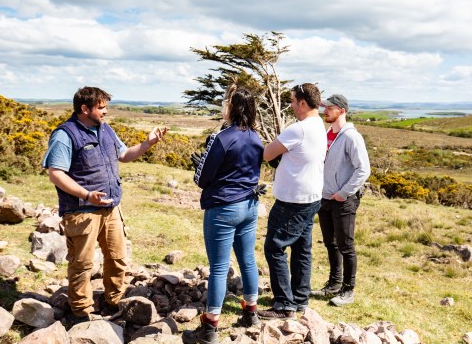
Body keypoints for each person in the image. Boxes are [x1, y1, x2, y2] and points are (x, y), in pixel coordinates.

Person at [42, 86, 167, 324]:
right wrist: (87, 195)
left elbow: (124, 155)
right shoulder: (65, 135)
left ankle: (113, 302)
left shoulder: (105, 129)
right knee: (82, 264)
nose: (106, 112)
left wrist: (148, 143)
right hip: (82, 211)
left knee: (118, 258)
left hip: (111, 208)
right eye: (101, 107)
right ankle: (80, 312)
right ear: (84, 108)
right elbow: (56, 173)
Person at [183, 85, 264, 344]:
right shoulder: (256, 137)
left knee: (218, 268)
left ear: (232, 107)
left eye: (225, 102)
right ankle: (251, 314)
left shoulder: (222, 138)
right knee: (248, 260)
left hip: (223, 207)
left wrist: (201, 167)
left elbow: (202, 178)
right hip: (249, 205)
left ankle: (210, 328)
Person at [257, 83, 327, 320]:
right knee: (302, 249)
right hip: (312, 197)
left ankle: (284, 305)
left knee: (274, 247)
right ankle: (299, 299)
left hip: (292, 199)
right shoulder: (319, 125)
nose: (291, 105)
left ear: (303, 103)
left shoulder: (298, 129)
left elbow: (267, 154)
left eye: (293, 101)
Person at [311, 94, 370, 306]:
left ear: (342, 111)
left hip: (344, 200)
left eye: (330, 107)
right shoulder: (328, 134)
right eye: (324, 107)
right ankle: (333, 284)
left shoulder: (351, 137)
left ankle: (348, 290)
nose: (325, 110)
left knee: (346, 245)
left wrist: (344, 192)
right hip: (325, 197)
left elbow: (363, 169)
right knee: (331, 244)